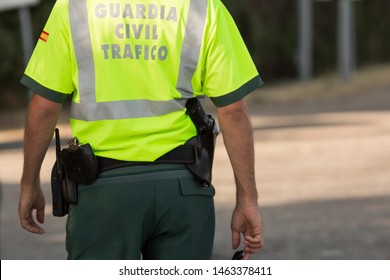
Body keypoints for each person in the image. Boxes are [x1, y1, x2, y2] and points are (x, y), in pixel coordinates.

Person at [18, 0, 264, 260]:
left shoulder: (74, 7)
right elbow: (234, 111)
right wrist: (247, 199)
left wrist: (29, 183)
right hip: (183, 189)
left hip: (103, 194)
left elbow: (43, 108)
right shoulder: (203, 6)